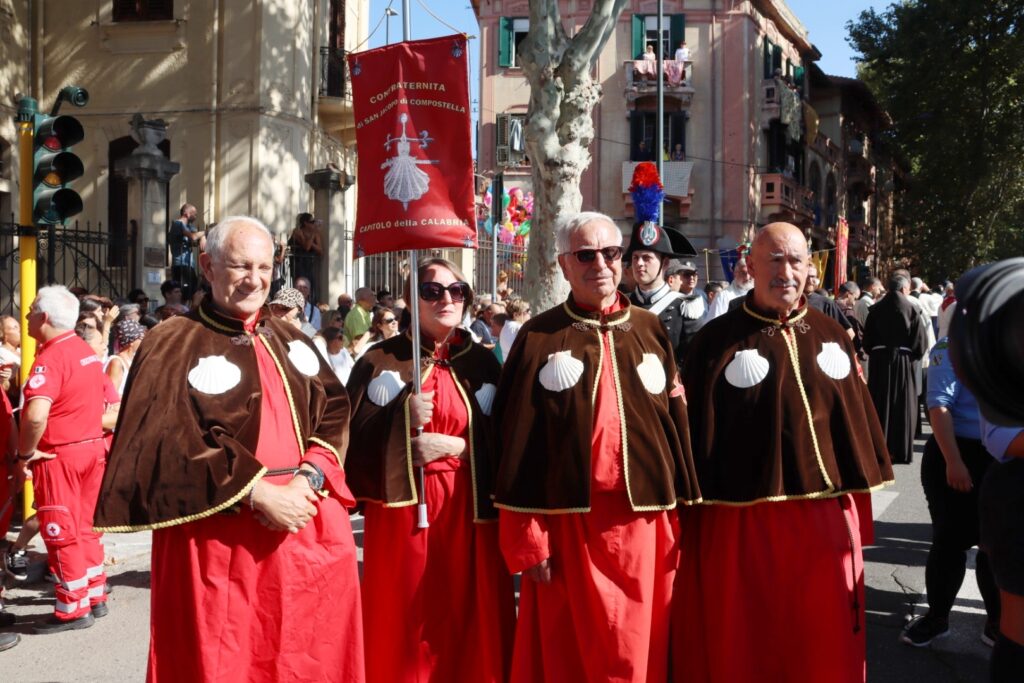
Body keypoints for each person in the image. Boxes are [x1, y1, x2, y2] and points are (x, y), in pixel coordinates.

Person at [94, 216, 364, 682]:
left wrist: (310, 476)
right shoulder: (170, 342)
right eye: (241, 266)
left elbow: (336, 411)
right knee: (227, 660)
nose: (255, 279)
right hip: (221, 539)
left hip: (305, 526)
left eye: (264, 266)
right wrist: (258, 493)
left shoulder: (292, 337)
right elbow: (160, 441)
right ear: (207, 265)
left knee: (308, 656)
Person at [674, 222, 894, 682]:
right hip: (739, 521)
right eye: (774, 260)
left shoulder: (833, 332)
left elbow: (855, 430)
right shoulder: (714, 343)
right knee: (746, 637)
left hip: (822, 521)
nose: (786, 271)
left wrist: (858, 517)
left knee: (820, 640)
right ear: (750, 266)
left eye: (795, 260)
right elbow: (692, 438)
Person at [492, 212, 701, 683]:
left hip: (644, 521)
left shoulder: (650, 328)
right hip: (568, 525)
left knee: (640, 648)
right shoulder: (537, 337)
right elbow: (514, 441)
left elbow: (675, 425)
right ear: (564, 264)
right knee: (571, 654)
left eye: (611, 253)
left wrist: (683, 513)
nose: (601, 265)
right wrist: (526, 535)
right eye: (586, 255)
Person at [346, 257, 515, 682]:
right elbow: (350, 441)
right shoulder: (380, 360)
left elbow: (512, 441)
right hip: (404, 518)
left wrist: (457, 445)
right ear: (411, 299)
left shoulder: (483, 362)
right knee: (407, 625)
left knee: (469, 622)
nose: (446, 299)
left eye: (456, 290)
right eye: (432, 291)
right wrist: (400, 419)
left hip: (471, 514)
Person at [18, 286, 110, 633]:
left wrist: (25, 453)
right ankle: (95, 594)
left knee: (61, 532)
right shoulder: (85, 352)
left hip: (60, 456)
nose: (26, 316)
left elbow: (36, 415)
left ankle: (72, 608)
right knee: (87, 528)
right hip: (90, 451)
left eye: (30, 311)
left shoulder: (51, 358)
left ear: (43, 317)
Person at [900, 333, 1000, 647]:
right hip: (955, 451)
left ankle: (998, 623)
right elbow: (939, 405)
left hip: (1003, 456)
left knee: (995, 546)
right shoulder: (952, 345)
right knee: (949, 541)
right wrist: (954, 461)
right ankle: (938, 618)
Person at [863, 274, 930, 464]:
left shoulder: (875, 309)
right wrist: (911, 356)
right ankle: (899, 449)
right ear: (904, 289)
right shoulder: (913, 309)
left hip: (879, 361)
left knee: (879, 401)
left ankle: (878, 447)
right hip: (902, 360)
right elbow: (920, 344)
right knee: (902, 403)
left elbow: (867, 341)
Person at [626, 219, 697, 371]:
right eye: (635, 257)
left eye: (646, 258)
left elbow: (694, 363)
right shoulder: (622, 304)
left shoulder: (684, 307)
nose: (639, 263)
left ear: (665, 263)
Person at [806, 263, 855, 339]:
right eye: (806, 276)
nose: (810, 280)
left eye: (813, 276)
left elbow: (849, 333)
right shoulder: (788, 303)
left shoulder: (826, 304)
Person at [169, 204, 204, 298]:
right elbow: (193, 236)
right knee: (183, 293)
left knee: (193, 290)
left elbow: (197, 236)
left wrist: (203, 237)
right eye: (194, 214)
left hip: (189, 264)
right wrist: (205, 233)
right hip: (180, 264)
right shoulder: (177, 224)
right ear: (186, 213)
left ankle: (188, 310)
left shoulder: (189, 226)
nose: (195, 216)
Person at [704, 256, 753, 320]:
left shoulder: (759, 295)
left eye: (750, 273)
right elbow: (713, 325)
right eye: (743, 273)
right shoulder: (722, 296)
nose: (747, 277)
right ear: (735, 274)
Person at [104, 319, 146, 397]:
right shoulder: (116, 362)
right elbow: (112, 395)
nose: (144, 341)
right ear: (131, 342)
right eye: (141, 338)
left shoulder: (133, 359)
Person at [289, 213, 323, 298]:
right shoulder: (297, 231)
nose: (314, 224)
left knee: (310, 285)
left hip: (309, 263)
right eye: (312, 222)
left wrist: (312, 241)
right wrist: (312, 236)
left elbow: (320, 251)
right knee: (300, 284)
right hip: (298, 262)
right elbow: (306, 247)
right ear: (305, 223)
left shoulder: (316, 233)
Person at [497, 297, 530, 362]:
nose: (530, 312)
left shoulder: (507, 326)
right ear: (516, 314)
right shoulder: (518, 327)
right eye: (527, 311)